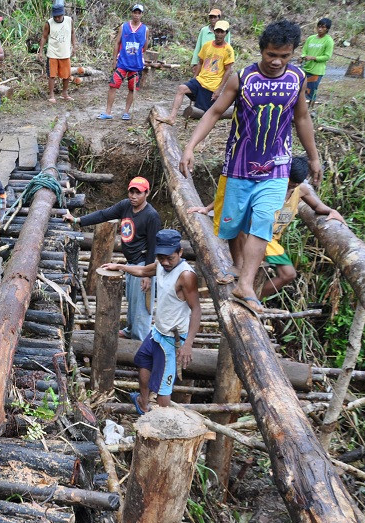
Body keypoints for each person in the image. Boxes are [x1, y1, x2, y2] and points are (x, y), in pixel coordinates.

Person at [180, 19, 322, 315]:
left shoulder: (297, 79)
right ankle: (237, 266)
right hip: (239, 166)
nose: (276, 61)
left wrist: (313, 156)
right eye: (271, 54)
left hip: (276, 167)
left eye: (284, 55)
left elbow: (302, 118)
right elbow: (214, 112)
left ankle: (245, 284)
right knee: (233, 226)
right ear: (262, 50)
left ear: (293, 53)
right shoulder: (242, 78)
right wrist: (191, 146)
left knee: (262, 223)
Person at [189, 156, 344, 297]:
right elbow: (235, 198)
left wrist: (332, 211)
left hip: (271, 240)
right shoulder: (267, 183)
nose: (288, 190)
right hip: (255, 235)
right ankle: (242, 277)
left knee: (288, 274)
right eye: (288, 184)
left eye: (293, 187)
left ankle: (255, 296)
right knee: (240, 227)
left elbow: (317, 207)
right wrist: (208, 208)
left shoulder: (301, 190)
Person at [103, 229, 201, 413]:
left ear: (180, 252)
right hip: (158, 331)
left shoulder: (186, 276)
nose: (165, 262)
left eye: (169, 258)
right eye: (161, 257)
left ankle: (163, 423)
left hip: (173, 338)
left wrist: (188, 344)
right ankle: (143, 402)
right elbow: (142, 270)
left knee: (164, 386)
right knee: (143, 360)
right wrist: (120, 267)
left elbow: (196, 309)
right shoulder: (161, 264)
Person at [64, 177, 161, 341]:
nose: (134, 196)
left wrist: (148, 275)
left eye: (139, 192)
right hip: (131, 262)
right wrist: (78, 220)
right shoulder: (125, 206)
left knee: (141, 308)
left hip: (143, 264)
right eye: (132, 191)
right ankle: (131, 330)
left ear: (147, 193)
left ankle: (140, 342)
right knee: (132, 301)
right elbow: (103, 214)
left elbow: (153, 246)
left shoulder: (152, 216)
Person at [164, 20, 234, 124]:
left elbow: (228, 70)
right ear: (214, 32)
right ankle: (172, 117)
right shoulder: (207, 45)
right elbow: (200, 62)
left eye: (222, 32)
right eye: (217, 31)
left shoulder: (228, 50)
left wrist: (219, 90)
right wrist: (195, 77)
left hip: (212, 86)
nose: (219, 34)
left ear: (226, 33)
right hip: (200, 80)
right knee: (181, 88)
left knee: (204, 114)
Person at [99, 3, 150, 121]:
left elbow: (145, 46)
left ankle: (126, 112)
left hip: (136, 65)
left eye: (139, 13)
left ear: (141, 15)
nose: (136, 15)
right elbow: (117, 43)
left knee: (132, 89)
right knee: (113, 85)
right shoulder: (124, 27)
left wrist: (139, 56)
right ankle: (108, 111)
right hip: (122, 62)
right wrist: (114, 60)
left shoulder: (145, 30)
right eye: (135, 12)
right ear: (131, 13)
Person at [38, 3, 77, 103]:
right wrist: (40, 52)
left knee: (66, 75)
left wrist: (74, 46)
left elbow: (72, 33)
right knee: (52, 75)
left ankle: (65, 93)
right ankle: (51, 95)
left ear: (63, 14)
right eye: (55, 16)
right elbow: (44, 37)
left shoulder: (69, 21)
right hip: (53, 53)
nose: (57, 18)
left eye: (59, 16)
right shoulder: (49, 23)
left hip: (65, 53)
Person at [301, 18, 335, 105]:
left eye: (323, 27)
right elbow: (304, 50)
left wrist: (313, 58)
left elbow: (327, 56)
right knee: (301, 90)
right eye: (319, 27)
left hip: (316, 71)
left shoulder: (328, 41)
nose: (320, 29)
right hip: (305, 68)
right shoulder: (310, 38)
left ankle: (311, 110)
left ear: (327, 29)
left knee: (311, 92)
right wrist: (303, 56)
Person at [192, 8, 233, 75]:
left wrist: (228, 66)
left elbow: (227, 48)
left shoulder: (225, 31)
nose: (212, 19)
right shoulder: (204, 30)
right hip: (204, 61)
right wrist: (194, 63)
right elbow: (198, 47)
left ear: (219, 18)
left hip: (217, 63)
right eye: (211, 17)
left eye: (215, 17)